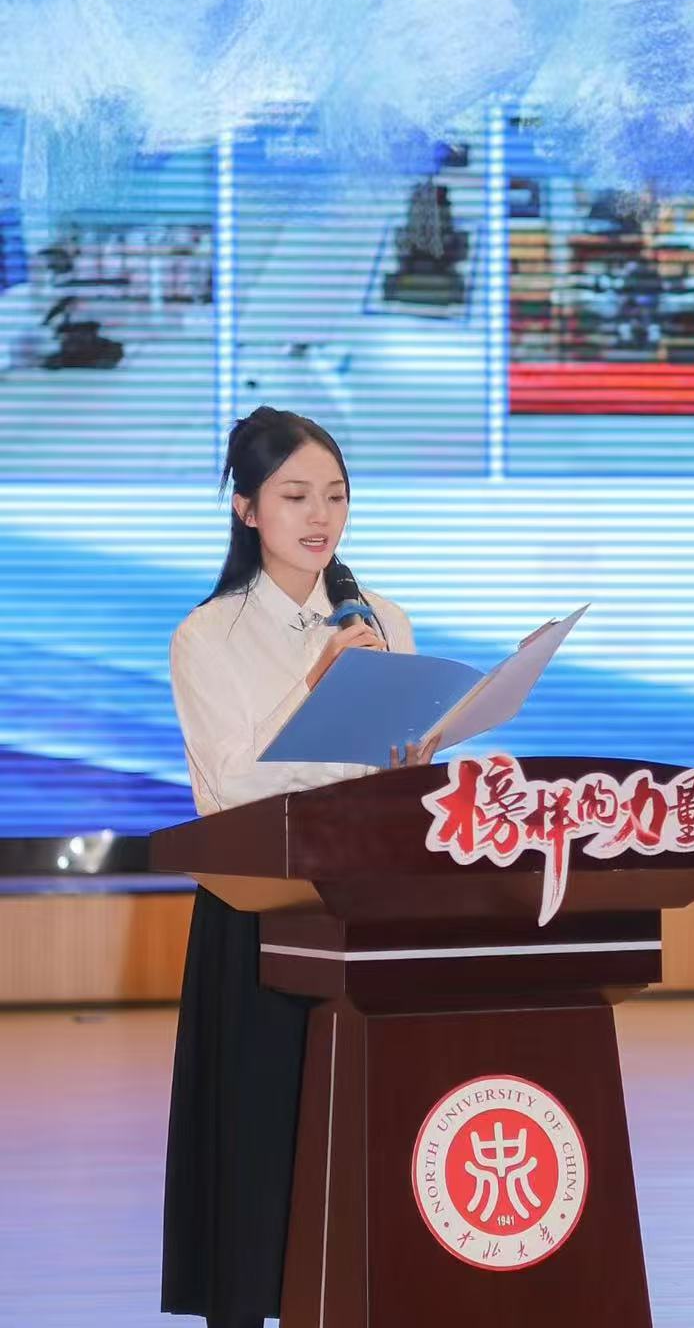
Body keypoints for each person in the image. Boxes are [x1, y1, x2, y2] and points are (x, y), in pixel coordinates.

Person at [161, 405, 416, 1328]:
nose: (321, 516)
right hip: (261, 910)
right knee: (262, 1134)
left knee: (365, 1131)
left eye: (336, 495)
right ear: (246, 509)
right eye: (296, 495)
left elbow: (389, 764)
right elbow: (228, 787)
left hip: (365, 902)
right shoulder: (209, 635)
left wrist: (417, 751)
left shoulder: (381, 616)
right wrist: (316, 688)